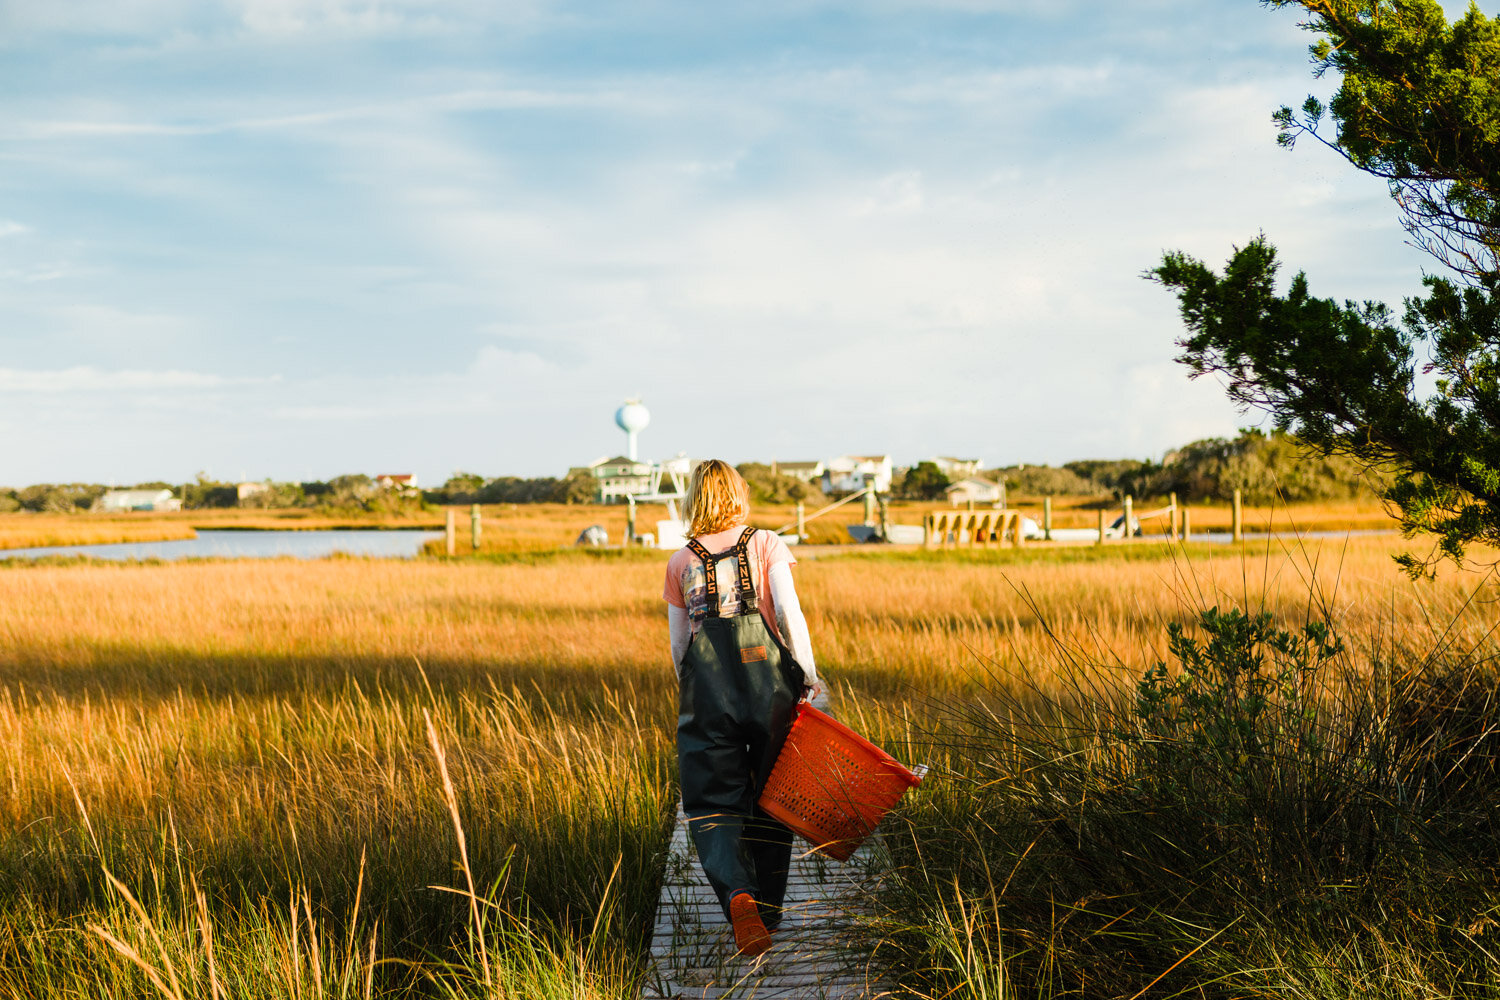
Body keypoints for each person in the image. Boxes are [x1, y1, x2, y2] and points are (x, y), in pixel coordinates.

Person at [663, 459, 821, 957]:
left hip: (706, 695)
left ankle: (738, 894)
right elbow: (790, 613)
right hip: (769, 689)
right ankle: (768, 914)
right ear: (738, 494)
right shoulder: (767, 543)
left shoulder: (678, 561)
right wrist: (808, 674)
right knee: (772, 797)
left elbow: (678, 644)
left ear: (694, 499)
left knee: (712, 802)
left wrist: (695, 691)